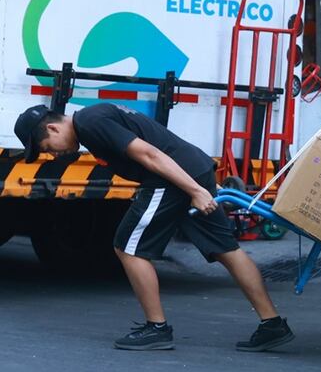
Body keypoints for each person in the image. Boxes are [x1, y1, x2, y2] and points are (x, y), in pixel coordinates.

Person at [14, 103, 294, 353]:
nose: (52, 154)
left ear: (52, 127)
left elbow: (149, 154)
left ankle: (157, 328)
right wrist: (200, 183)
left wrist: (195, 190)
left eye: (47, 147)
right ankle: (272, 324)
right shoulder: (93, 119)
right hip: (190, 169)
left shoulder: (90, 123)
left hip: (171, 181)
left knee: (128, 248)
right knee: (227, 250)